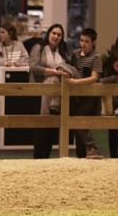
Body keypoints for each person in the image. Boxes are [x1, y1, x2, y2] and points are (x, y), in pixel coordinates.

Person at [30, 24, 72, 159]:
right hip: (41, 93)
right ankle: (37, 159)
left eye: (59, 35)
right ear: (48, 34)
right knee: (40, 130)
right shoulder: (39, 48)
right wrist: (54, 71)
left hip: (57, 96)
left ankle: (47, 160)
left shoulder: (63, 52)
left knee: (51, 131)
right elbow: (34, 67)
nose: (56, 37)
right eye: (54, 33)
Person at [67, 28, 104, 159]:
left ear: (93, 43)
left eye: (86, 41)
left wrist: (76, 82)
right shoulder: (75, 54)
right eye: (81, 40)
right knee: (77, 125)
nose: (83, 44)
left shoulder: (96, 58)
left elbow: (94, 78)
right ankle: (82, 156)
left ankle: (92, 147)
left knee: (78, 120)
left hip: (89, 97)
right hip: (76, 96)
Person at [100, 50, 118, 158]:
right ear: (112, 64)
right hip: (111, 106)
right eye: (117, 66)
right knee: (113, 131)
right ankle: (113, 156)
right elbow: (100, 80)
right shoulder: (108, 71)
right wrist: (115, 78)